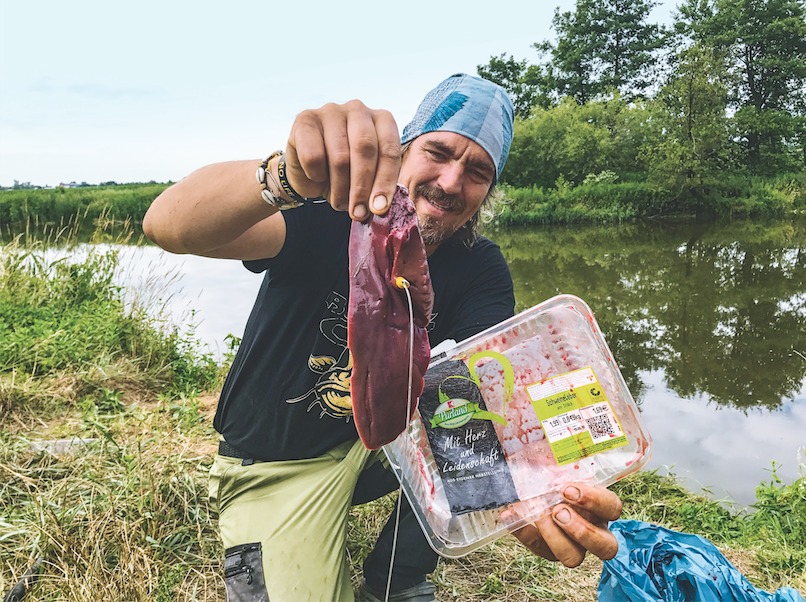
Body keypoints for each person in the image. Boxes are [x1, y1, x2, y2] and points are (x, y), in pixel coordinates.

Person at [143, 73, 623, 602]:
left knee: (464, 432)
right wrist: (286, 175)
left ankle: (395, 578)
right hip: (279, 458)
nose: (450, 181)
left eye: (477, 171)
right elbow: (168, 225)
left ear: (488, 189)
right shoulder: (328, 215)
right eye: (438, 152)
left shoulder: (480, 265)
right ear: (404, 150)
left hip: (387, 446)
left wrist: (539, 482)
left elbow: (487, 392)